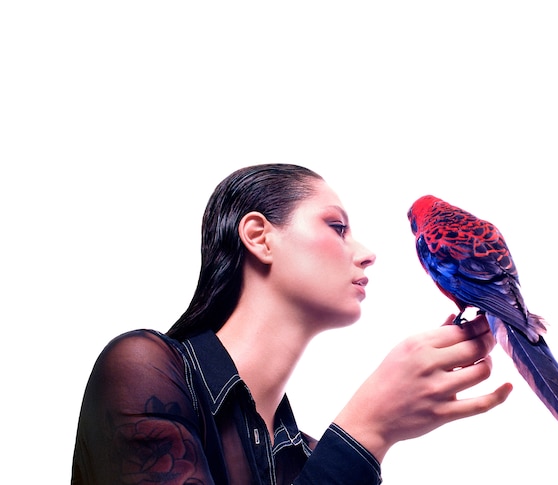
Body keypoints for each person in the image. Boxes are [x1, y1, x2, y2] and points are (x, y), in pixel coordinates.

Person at [71, 163, 512, 484]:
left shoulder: (308, 459)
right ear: (259, 237)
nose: (366, 252)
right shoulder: (142, 370)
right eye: (337, 226)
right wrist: (367, 430)